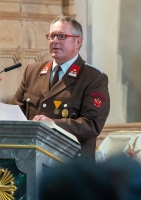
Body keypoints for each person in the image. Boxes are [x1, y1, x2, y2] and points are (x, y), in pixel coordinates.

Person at [11, 16, 110, 160]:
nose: (55, 41)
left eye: (62, 36)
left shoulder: (93, 77)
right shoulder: (32, 71)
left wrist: (53, 125)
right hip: (30, 159)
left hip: (70, 165)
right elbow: (16, 110)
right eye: (52, 36)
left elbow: (92, 124)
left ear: (78, 42)